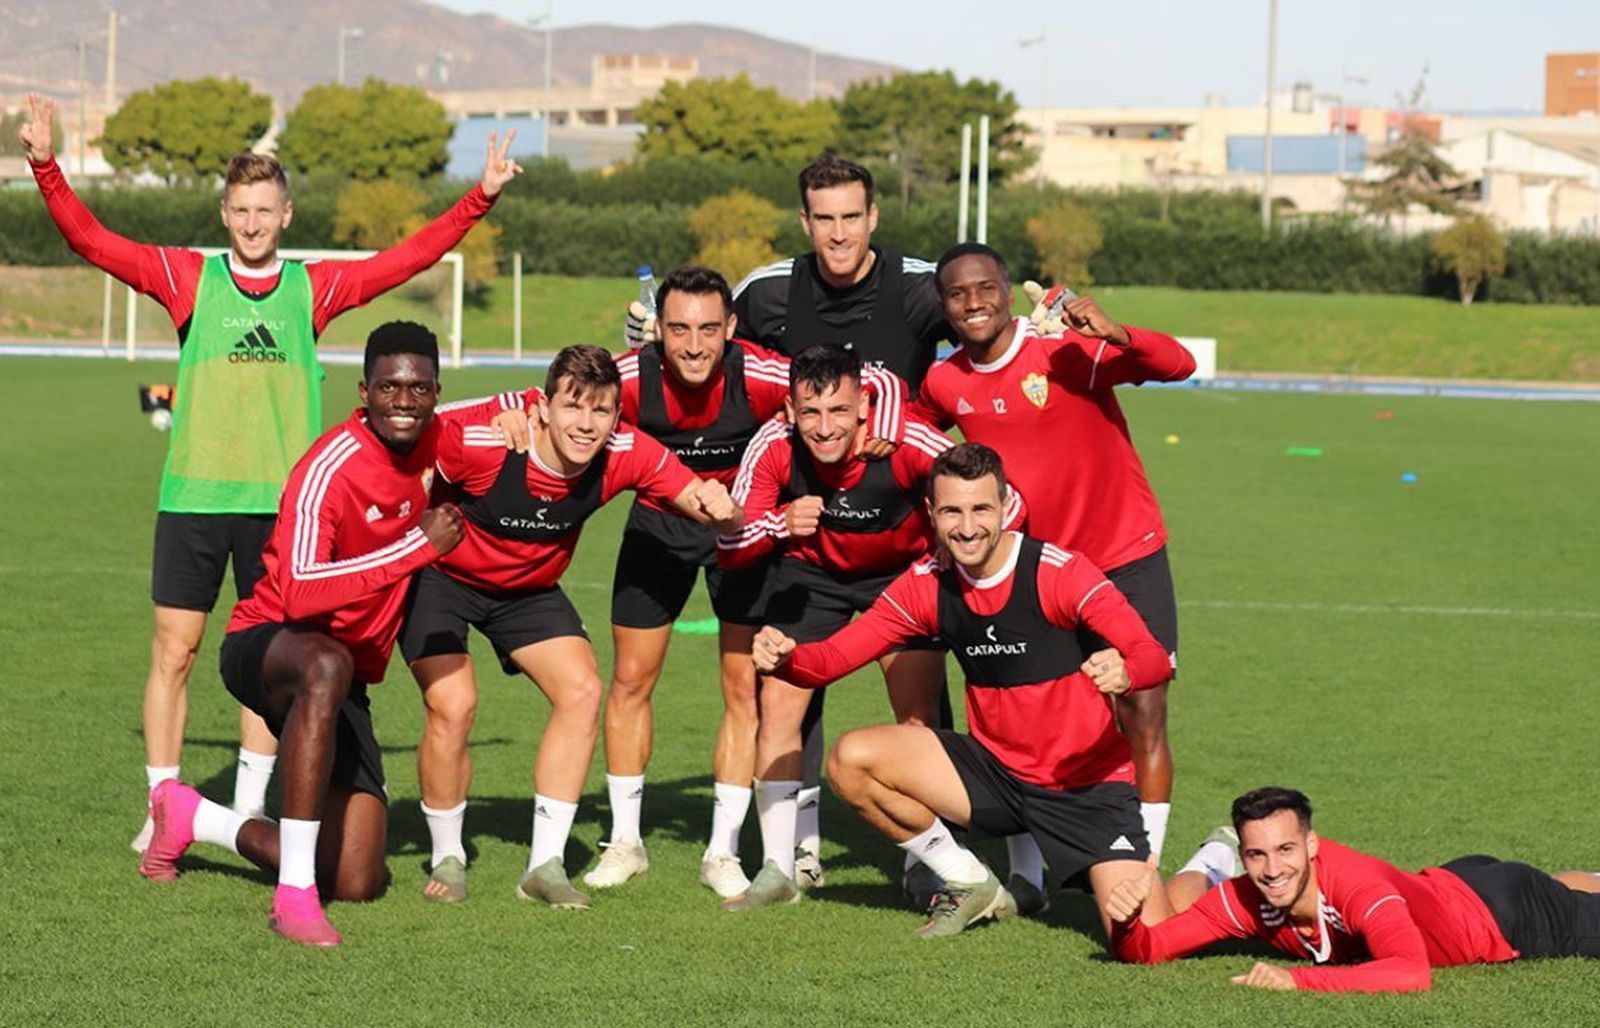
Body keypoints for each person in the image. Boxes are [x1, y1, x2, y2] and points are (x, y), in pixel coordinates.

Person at [17, 93, 522, 850]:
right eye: (240, 209)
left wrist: (477, 197)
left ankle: (251, 804)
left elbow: (404, 261)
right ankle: (161, 806)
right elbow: (94, 241)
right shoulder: (188, 279)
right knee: (174, 651)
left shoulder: (312, 289)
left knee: (270, 662)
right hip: (193, 498)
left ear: (286, 215)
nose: (252, 222)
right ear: (225, 214)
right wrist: (45, 164)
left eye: (265, 209)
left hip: (285, 515)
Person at [750, 443, 1201, 938]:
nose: (967, 527)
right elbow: (833, 659)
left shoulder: (1059, 572)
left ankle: (1214, 864)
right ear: (931, 513)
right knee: (851, 759)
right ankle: (969, 879)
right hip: (995, 775)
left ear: (1007, 506)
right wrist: (790, 658)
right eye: (952, 511)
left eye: (981, 509)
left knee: (1143, 940)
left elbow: (1151, 652)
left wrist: (1127, 671)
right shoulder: (925, 584)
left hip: (1083, 788)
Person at [136, 322, 465, 946]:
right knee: (325, 665)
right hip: (270, 643)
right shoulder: (330, 464)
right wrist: (415, 548)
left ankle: (191, 815)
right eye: (389, 387)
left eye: (419, 388)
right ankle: (293, 900)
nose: (404, 400)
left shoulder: (439, 435)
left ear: (435, 393)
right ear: (363, 391)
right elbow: (301, 591)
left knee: (359, 877)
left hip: (346, 679)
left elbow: (517, 405)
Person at [401, 345, 743, 908]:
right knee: (454, 703)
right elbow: (405, 438)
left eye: (602, 411)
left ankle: (544, 866)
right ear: (543, 407)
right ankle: (448, 855)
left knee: (582, 691)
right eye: (573, 407)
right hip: (444, 580)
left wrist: (720, 506)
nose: (586, 425)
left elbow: (703, 502)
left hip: (529, 592)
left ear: (616, 417)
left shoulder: (626, 453)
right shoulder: (488, 440)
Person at [916, 242, 1196, 864]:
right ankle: (1029, 872)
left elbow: (1178, 364)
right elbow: (913, 439)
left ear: (1007, 288)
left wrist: (1118, 332)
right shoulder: (944, 380)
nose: (974, 303)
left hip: (1125, 555)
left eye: (985, 288)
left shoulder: (1066, 350)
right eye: (958, 294)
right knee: (1029, 726)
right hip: (1036, 575)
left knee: (1143, 709)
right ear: (944, 306)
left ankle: (1144, 863)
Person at [717, 351, 1020, 911]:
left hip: (902, 579)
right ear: (790, 410)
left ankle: (926, 868)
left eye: (839, 410)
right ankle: (778, 870)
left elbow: (1009, 503)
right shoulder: (773, 444)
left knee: (918, 719)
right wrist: (776, 524)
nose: (825, 426)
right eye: (810, 412)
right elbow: (729, 544)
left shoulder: (907, 440)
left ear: (864, 408)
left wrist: (943, 565)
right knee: (778, 709)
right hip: (810, 577)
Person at [1108, 787, 1600, 992]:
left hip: (1504, 916)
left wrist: (1297, 980)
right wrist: (1130, 922)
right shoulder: (1241, 898)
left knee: (1568, 908)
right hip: (1454, 881)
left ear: (1312, 844)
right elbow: (1152, 950)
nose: (1272, 869)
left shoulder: (1357, 886)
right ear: (1242, 853)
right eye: (1256, 855)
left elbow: (1411, 973)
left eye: (1286, 850)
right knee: (1560, 887)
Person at [728, 154, 949, 393]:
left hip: (898, 430)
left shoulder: (924, 287)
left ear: (872, 217)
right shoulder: (766, 292)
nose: (839, 235)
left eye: (851, 217)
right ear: (806, 222)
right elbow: (707, 358)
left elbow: (992, 356)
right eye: (825, 219)